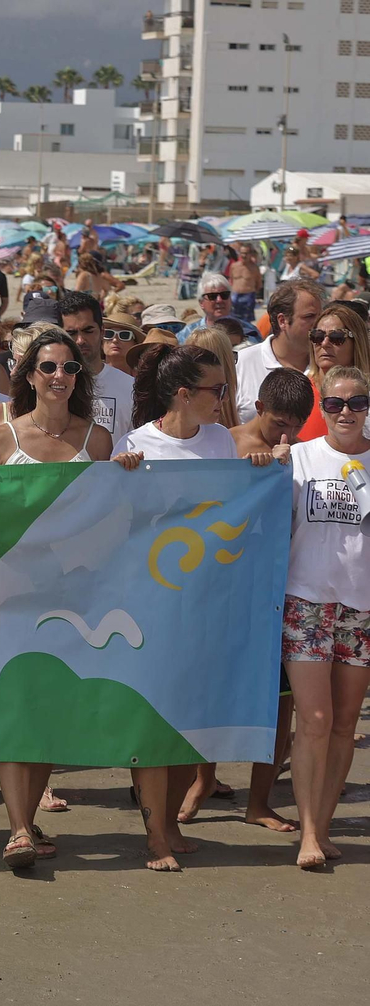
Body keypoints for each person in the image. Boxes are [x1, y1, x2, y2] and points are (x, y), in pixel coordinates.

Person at [114, 344, 277, 871]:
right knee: (157, 725)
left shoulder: (219, 443)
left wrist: (253, 470)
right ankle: (155, 834)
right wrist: (120, 475)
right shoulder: (136, 445)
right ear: (184, 393)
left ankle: (165, 824)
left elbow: (234, 514)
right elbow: (115, 525)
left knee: (193, 724)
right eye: (217, 390)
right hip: (153, 607)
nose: (225, 400)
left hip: (207, 606)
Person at [0, 329, 114, 868]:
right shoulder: (2, 435)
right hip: (10, 593)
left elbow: (110, 517)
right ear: (29, 375)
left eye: (70, 369)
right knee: (15, 704)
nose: (59, 377)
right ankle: (17, 830)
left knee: (51, 707)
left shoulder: (97, 440)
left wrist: (126, 476)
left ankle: (26, 819)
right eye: (49, 367)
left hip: (74, 597)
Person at [280, 365, 370, 869]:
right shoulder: (297, 458)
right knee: (314, 719)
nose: (345, 413)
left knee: (343, 725)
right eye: (334, 404)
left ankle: (326, 825)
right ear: (322, 407)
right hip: (307, 599)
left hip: (363, 607)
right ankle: (309, 833)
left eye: (356, 403)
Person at [230, 368, 312, 834]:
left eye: (294, 425)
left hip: (276, 592)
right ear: (258, 408)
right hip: (226, 590)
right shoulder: (224, 442)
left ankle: (259, 801)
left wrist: (284, 465)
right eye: (278, 421)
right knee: (213, 693)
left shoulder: (299, 457)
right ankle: (204, 782)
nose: (285, 433)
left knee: (281, 704)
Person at [236, 280, 323, 424]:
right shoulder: (241, 364)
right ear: (282, 321)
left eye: (320, 316)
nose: (318, 324)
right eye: (309, 317)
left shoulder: (329, 362)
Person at [58, 291, 135, 446]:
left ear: (102, 332)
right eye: (71, 333)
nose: (80, 340)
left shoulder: (130, 387)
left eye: (88, 331)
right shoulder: (52, 384)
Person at [295, 302, 370, 442]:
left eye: (336, 337)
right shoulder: (296, 390)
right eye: (317, 336)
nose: (324, 343)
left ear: (357, 342)